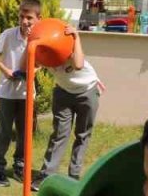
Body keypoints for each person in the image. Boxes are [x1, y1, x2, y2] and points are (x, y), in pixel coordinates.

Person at [39, 24, 104, 182]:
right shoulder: (43, 51)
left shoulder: (67, 48)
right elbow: (30, 64)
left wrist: (76, 37)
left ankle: (74, 175)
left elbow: (79, 64)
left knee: (82, 134)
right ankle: (46, 175)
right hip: (63, 92)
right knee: (59, 134)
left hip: (87, 91)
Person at [0, 0, 38, 188]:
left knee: (26, 133)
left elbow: (42, 62)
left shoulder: (38, 38)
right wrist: (6, 71)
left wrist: (33, 71)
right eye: (22, 17)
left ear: (38, 19)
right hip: (8, 93)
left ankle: (20, 166)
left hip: (26, 94)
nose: (25, 21)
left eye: (29, 18)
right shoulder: (9, 35)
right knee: (5, 132)